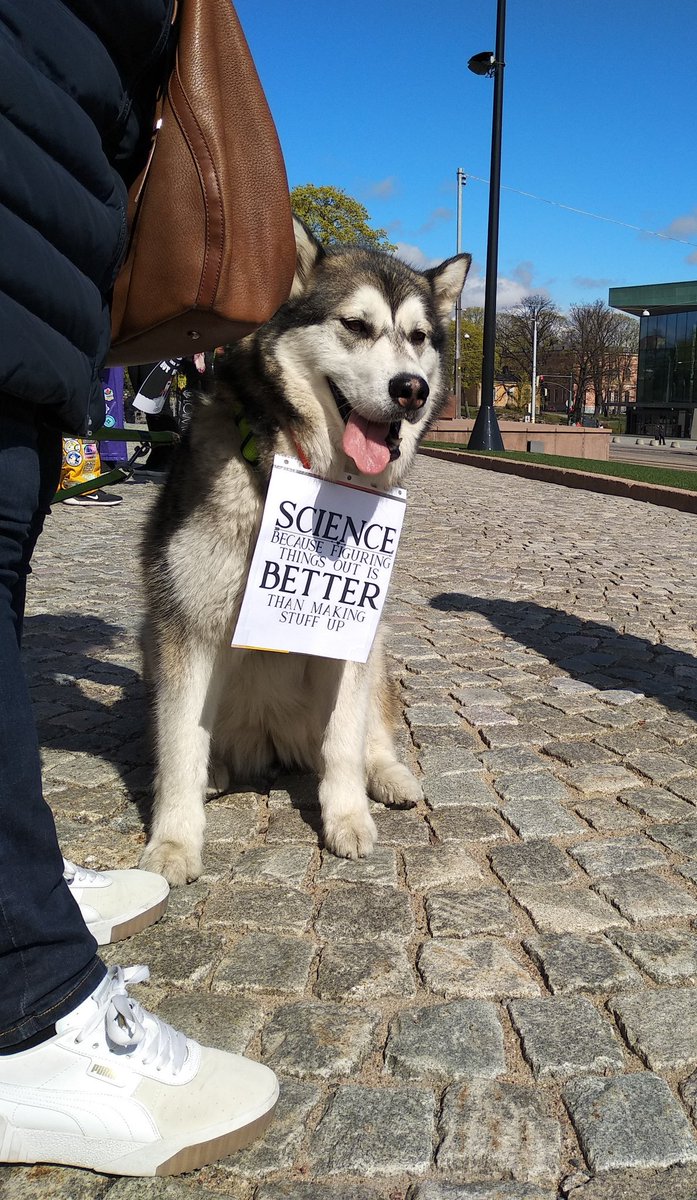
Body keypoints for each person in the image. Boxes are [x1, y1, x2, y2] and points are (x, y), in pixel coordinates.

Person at [0, 0, 278, 1177]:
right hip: (30, 139)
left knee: (8, 544)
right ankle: (23, 1007)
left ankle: (13, 878)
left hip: (51, 182)